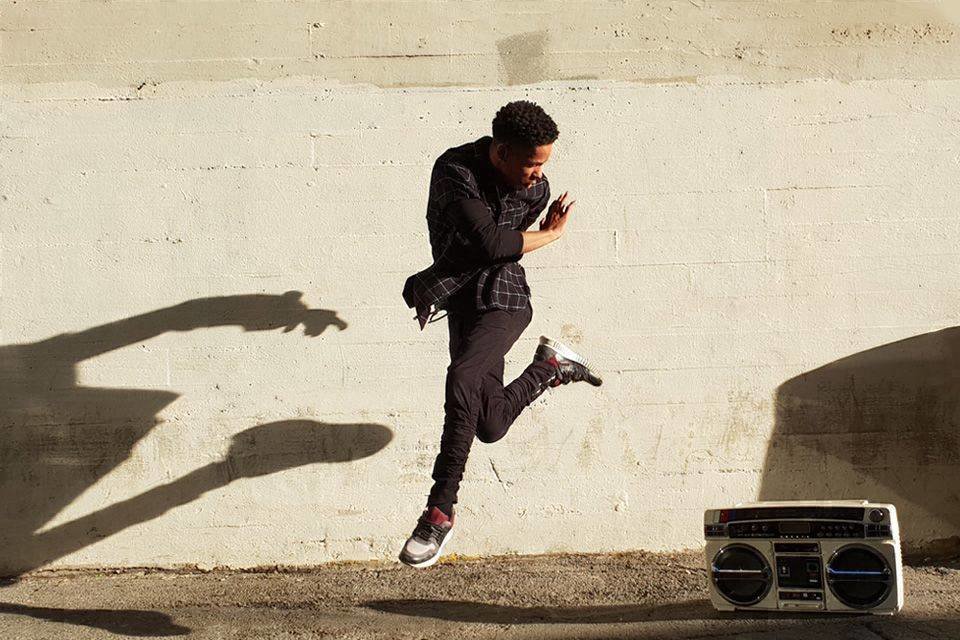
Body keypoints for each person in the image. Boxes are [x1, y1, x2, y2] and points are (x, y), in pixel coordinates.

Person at [399, 100, 602, 568]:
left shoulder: (536, 189)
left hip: (505, 300)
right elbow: (491, 242)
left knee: (462, 379)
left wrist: (536, 236)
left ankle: (439, 512)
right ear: (501, 151)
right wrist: (549, 236)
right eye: (531, 163)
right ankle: (550, 367)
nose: (539, 175)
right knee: (489, 424)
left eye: (544, 163)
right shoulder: (455, 170)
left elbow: (499, 250)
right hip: (464, 305)